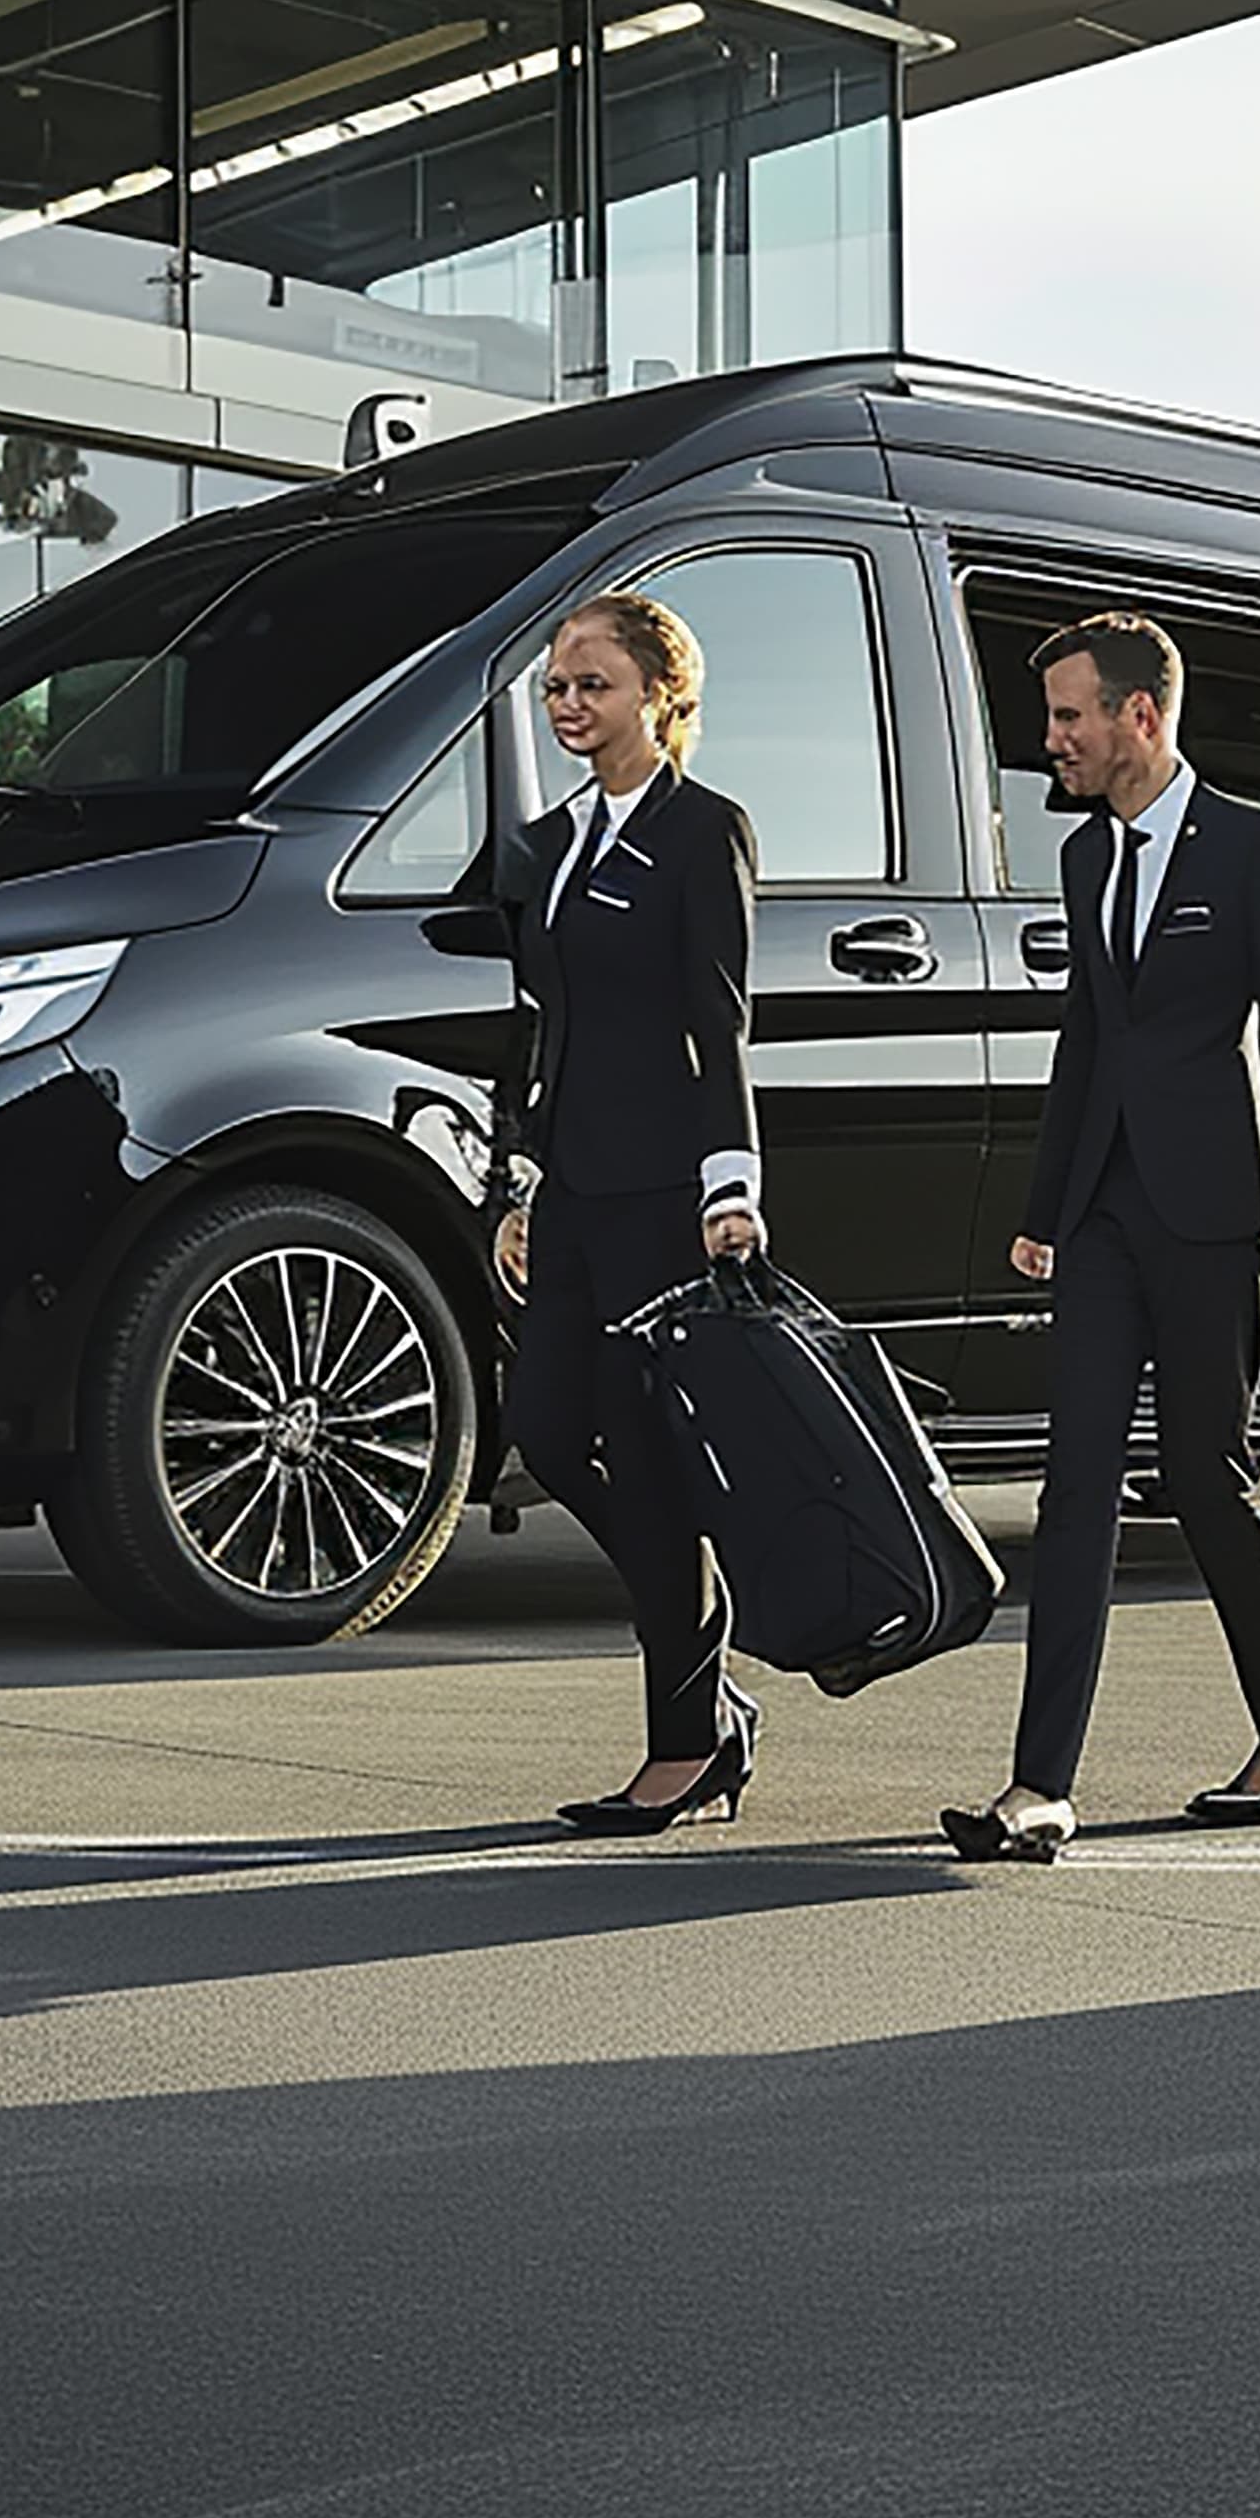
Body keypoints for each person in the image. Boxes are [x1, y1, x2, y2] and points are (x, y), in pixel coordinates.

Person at [941, 613, 1260, 1863]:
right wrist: (1041, 1208)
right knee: (1076, 1483)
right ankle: (1038, 1786)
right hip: (1105, 1210)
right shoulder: (1087, 860)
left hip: (1221, 1205)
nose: (1050, 739)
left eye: (1069, 716)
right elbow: (1088, 1043)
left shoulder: (1247, 847)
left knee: (1204, 1472)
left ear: (1140, 716)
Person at [497, 589, 767, 1835]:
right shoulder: (546, 846)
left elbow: (718, 1025)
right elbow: (536, 1029)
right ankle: (700, 1625)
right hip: (572, 1193)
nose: (568, 703)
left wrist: (730, 1188)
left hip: (664, 1195)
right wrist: (517, 1182)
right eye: (557, 684)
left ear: (661, 697)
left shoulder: (704, 832)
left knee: (650, 1463)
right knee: (547, 1432)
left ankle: (685, 1738)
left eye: (592, 684)